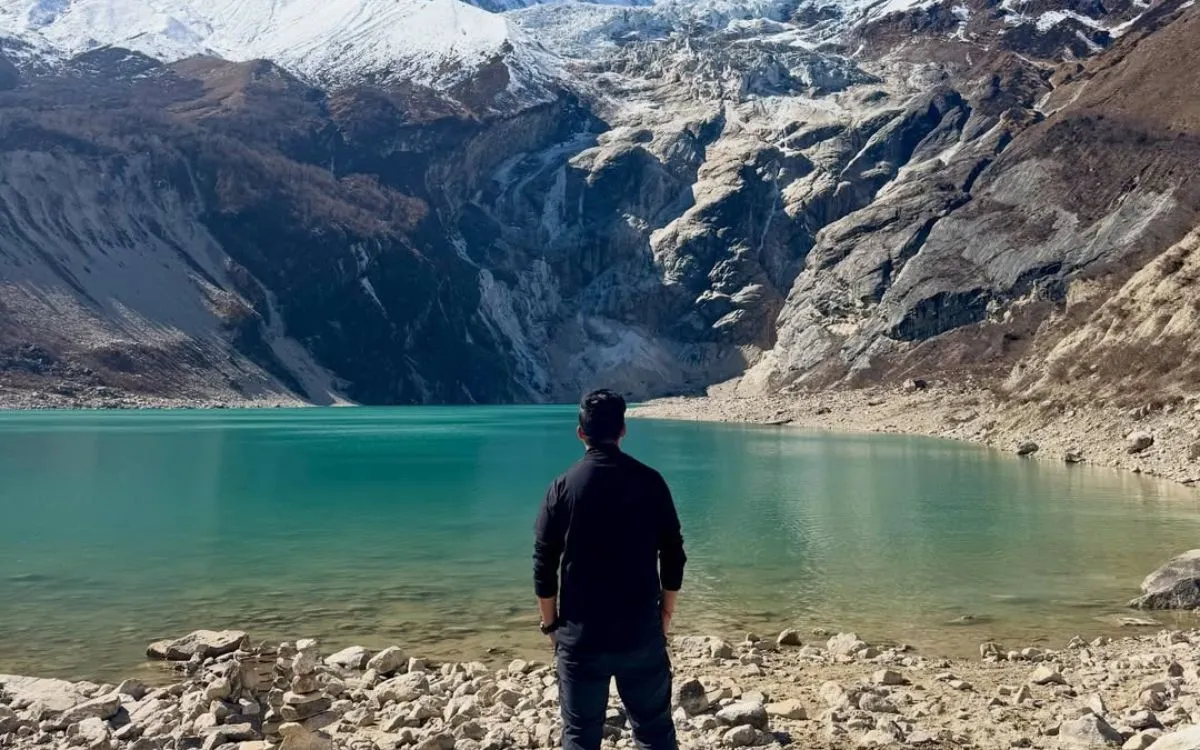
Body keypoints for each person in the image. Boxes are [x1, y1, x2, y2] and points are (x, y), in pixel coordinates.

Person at [533, 389, 687, 750]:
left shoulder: (561, 488)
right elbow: (674, 554)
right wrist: (665, 613)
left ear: (580, 433)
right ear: (623, 431)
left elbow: (543, 564)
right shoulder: (651, 482)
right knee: (654, 733)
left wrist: (550, 624)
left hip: (581, 639)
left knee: (580, 736)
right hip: (640, 634)